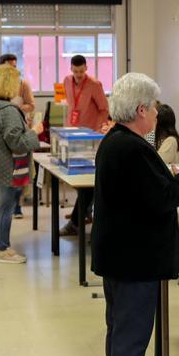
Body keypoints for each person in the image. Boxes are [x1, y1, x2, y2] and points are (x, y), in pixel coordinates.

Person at [91, 73, 179, 356]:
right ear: (140, 110)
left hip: (119, 255)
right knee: (131, 336)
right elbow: (163, 198)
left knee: (119, 332)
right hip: (133, 260)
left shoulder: (114, 142)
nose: (156, 114)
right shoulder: (133, 148)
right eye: (153, 108)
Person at [0, 64, 44, 264]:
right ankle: (2, 248)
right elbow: (17, 143)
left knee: (3, 206)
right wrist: (34, 131)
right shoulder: (8, 111)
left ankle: (2, 245)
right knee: (6, 207)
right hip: (10, 167)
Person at [60, 54, 110, 237]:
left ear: (86, 68)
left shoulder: (94, 85)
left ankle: (80, 216)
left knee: (86, 179)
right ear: (71, 69)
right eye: (75, 71)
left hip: (90, 138)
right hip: (72, 135)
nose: (79, 75)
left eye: (81, 71)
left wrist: (97, 132)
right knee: (74, 178)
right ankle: (84, 212)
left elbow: (104, 109)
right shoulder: (66, 81)